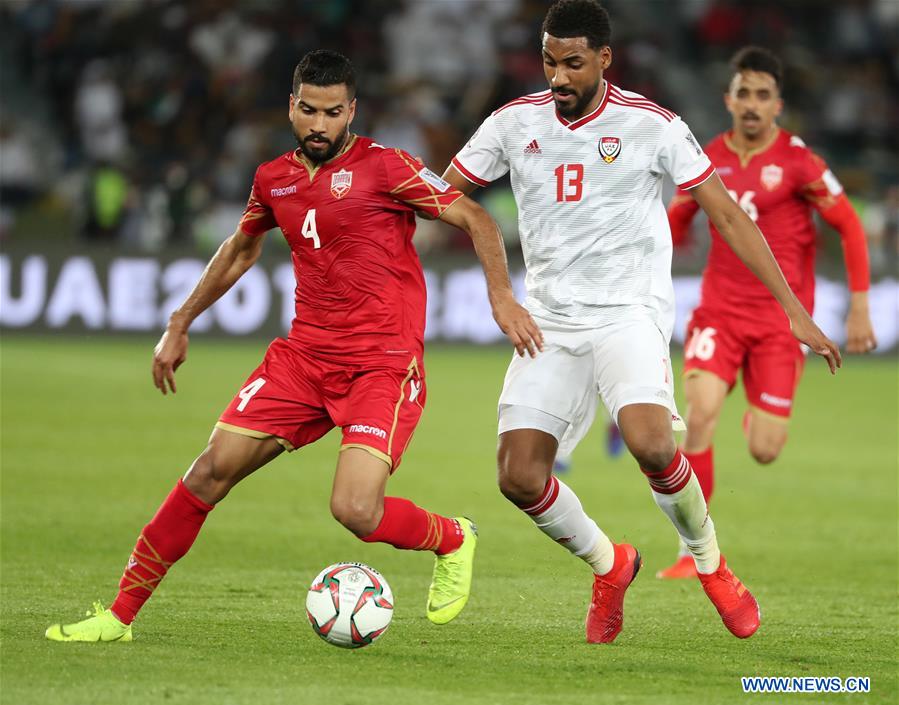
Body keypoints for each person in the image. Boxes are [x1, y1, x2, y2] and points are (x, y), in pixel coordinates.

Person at [46, 50, 543, 642]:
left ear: (351, 111)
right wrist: (180, 321)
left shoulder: (388, 167)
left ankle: (453, 537)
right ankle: (118, 617)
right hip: (304, 359)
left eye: (333, 113)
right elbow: (241, 248)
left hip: (381, 365)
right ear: (291, 105)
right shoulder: (273, 178)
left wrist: (502, 297)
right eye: (308, 110)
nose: (319, 125)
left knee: (355, 511)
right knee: (208, 472)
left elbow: (476, 220)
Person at [441, 0, 840, 643]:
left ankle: (711, 564)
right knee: (517, 477)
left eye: (573, 63)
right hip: (546, 318)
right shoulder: (512, 124)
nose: (558, 77)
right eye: (548, 61)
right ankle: (610, 564)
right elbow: (444, 199)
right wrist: (500, 292)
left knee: (652, 442)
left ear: (604, 59)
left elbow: (731, 218)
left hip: (628, 310)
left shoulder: (652, 126)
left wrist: (793, 309)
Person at [657, 47, 876, 579]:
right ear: (727, 100)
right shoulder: (709, 155)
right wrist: (674, 231)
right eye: (743, 94)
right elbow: (683, 210)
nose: (752, 105)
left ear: (778, 105)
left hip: (781, 323)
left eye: (763, 96)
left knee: (765, 450)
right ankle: (695, 552)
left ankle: (761, 411)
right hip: (719, 314)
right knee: (700, 413)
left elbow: (848, 225)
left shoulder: (800, 162)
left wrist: (860, 307)